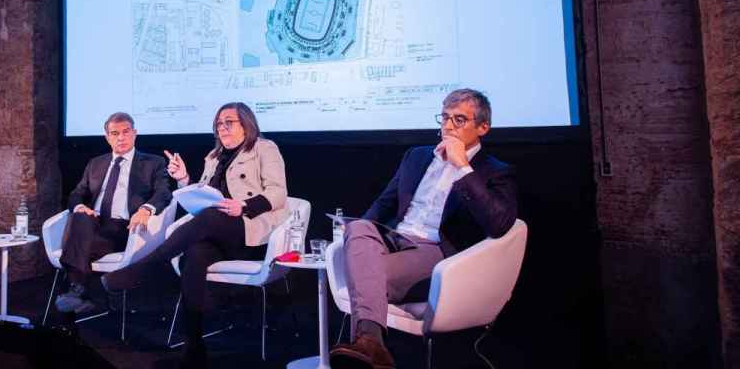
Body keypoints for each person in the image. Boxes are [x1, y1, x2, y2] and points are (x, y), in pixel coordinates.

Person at [328, 89, 518, 369]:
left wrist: (463, 166)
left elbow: (500, 224)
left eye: (459, 120)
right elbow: (384, 204)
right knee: (358, 228)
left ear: (483, 127)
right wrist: (357, 238)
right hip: (394, 237)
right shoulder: (416, 156)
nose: (449, 126)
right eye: (445, 118)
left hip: (436, 251)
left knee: (365, 272)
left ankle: (369, 342)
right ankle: (373, 347)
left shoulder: (494, 171)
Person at [102, 102, 288, 368]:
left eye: (229, 122)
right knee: (194, 255)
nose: (222, 128)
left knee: (213, 215)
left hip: (250, 231)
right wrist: (184, 180)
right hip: (216, 232)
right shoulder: (214, 157)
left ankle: (147, 267)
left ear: (246, 124)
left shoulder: (264, 148)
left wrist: (243, 205)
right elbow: (203, 194)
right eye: (219, 124)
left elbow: (278, 193)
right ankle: (194, 344)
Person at [54, 112, 172, 314]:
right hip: (94, 224)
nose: (121, 138)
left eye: (126, 132)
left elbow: (164, 192)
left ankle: (76, 289)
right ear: (107, 137)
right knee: (81, 218)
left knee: (77, 240)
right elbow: (76, 194)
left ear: (135, 133)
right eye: (115, 133)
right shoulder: (96, 163)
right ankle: (80, 291)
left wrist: (146, 208)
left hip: (126, 228)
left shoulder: (153, 163)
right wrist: (79, 206)